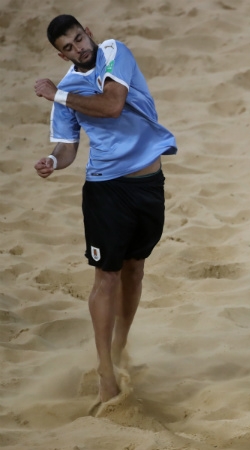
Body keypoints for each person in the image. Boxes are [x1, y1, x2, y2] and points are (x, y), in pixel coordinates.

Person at [33, 15, 177, 404]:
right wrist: (52, 161)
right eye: (68, 46)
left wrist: (57, 95)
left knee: (135, 269)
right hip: (105, 190)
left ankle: (119, 348)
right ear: (59, 53)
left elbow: (113, 105)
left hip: (148, 184)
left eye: (79, 38)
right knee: (106, 277)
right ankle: (105, 371)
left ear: (89, 33)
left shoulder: (114, 53)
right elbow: (66, 147)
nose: (78, 48)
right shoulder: (66, 89)